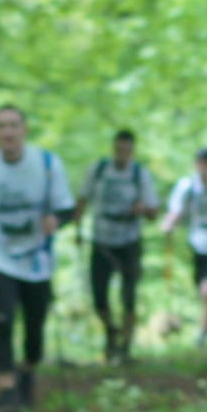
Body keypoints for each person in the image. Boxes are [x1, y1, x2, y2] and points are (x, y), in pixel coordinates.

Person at [0, 106, 77, 412]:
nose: (7, 133)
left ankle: (27, 372)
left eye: (13, 125)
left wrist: (56, 220)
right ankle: (6, 388)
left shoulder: (48, 164)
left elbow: (67, 208)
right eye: (1, 126)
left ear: (25, 129)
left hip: (37, 258)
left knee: (35, 323)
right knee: (3, 318)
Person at [79, 129, 161, 363]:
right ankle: (110, 333)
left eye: (127, 150)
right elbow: (82, 199)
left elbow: (153, 212)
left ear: (132, 151)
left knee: (129, 296)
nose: (122, 154)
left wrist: (142, 209)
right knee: (99, 296)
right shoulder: (98, 170)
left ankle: (125, 346)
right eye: (119, 148)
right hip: (101, 239)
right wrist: (76, 228)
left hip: (129, 241)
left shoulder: (139, 175)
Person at [162, 147, 207, 348]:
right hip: (198, 242)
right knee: (205, 292)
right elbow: (176, 211)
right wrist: (169, 225)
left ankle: (202, 333)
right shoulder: (187, 186)